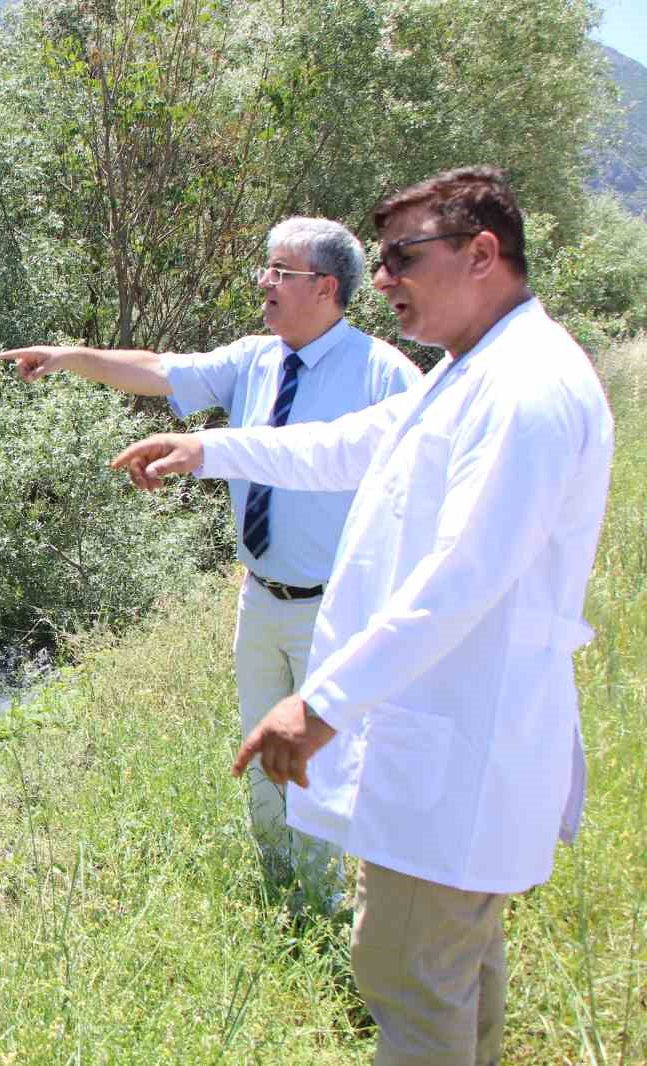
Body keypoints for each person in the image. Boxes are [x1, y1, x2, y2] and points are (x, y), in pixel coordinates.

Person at [111, 166, 615, 1065]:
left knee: (408, 977)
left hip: (463, 744)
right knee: (455, 973)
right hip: (451, 741)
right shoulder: (470, 372)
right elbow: (349, 444)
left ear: (482, 254)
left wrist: (321, 703)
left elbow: (462, 577)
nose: (380, 282)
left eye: (401, 259)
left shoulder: (525, 390)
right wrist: (207, 448)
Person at [0, 218, 418, 894]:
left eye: (282, 271)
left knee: (327, 762)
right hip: (260, 600)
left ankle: (330, 903)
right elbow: (161, 373)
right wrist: (72, 356)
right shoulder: (256, 356)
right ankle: (278, 884)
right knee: (259, 749)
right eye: (267, 268)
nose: (265, 281)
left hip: (337, 608)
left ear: (327, 287)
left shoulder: (383, 374)